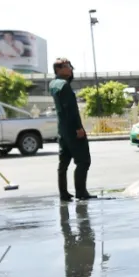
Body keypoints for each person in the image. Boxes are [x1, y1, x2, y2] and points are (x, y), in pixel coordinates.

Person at [50, 58, 93, 201]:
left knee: (63, 163)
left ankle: (63, 193)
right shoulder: (64, 85)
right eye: (68, 66)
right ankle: (81, 192)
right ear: (59, 69)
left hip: (62, 130)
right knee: (83, 161)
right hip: (72, 129)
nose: (71, 69)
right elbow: (71, 110)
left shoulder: (53, 84)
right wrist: (78, 128)